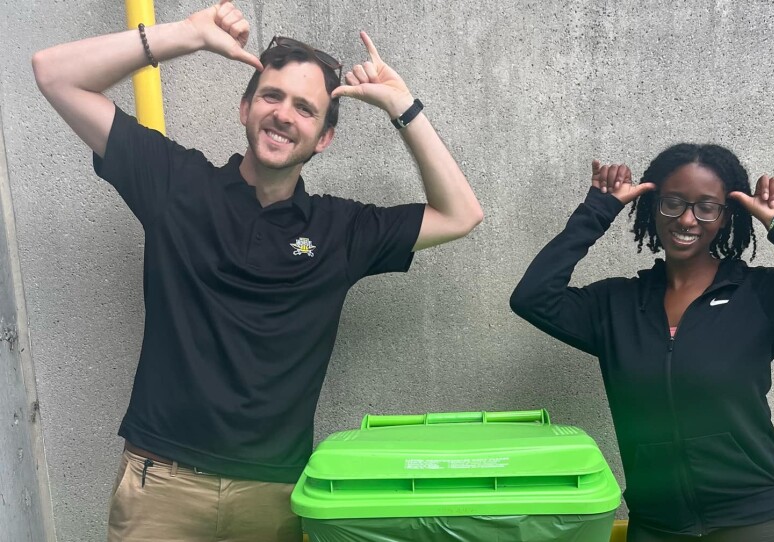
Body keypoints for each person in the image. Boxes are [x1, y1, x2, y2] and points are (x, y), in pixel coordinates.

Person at [32, 1, 482, 540]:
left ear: (324, 137)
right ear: (244, 108)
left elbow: (461, 213)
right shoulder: (176, 185)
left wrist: (403, 107)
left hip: (275, 497)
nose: (284, 114)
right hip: (163, 486)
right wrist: (186, 35)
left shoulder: (342, 231)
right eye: (271, 96)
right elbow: (54, 74)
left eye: (305, 108)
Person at [509, 143, 774, 542]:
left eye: (707, 206)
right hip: (656, 524)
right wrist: (597, 212)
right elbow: (533, 298)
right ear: (653, 206)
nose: (688, 219)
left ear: (725, 218)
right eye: (674, 202)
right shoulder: (614, 306)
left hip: (750, 521)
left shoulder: (761, 297)